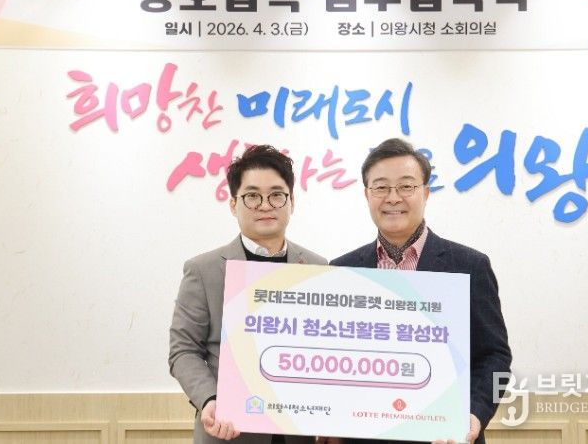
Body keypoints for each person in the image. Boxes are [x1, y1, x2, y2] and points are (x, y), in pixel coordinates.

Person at [330, 138, 511, 444]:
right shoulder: (341, 271)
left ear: (425, 192)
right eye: (381, 187)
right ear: (367, 194)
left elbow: (496, 357)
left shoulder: (470, 266)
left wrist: (475, 413)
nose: (393, 197)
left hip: (446, 437)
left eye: (406, 186)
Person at [169, 144, 326, 444]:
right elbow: (183, 350)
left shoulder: (317, 268)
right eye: (252, 196)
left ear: (292, 202)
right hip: (229, 431)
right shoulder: (203, 270)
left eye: (276, 195)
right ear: (233, 204)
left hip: (296, 434)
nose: (265, 205)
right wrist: (210, 399)